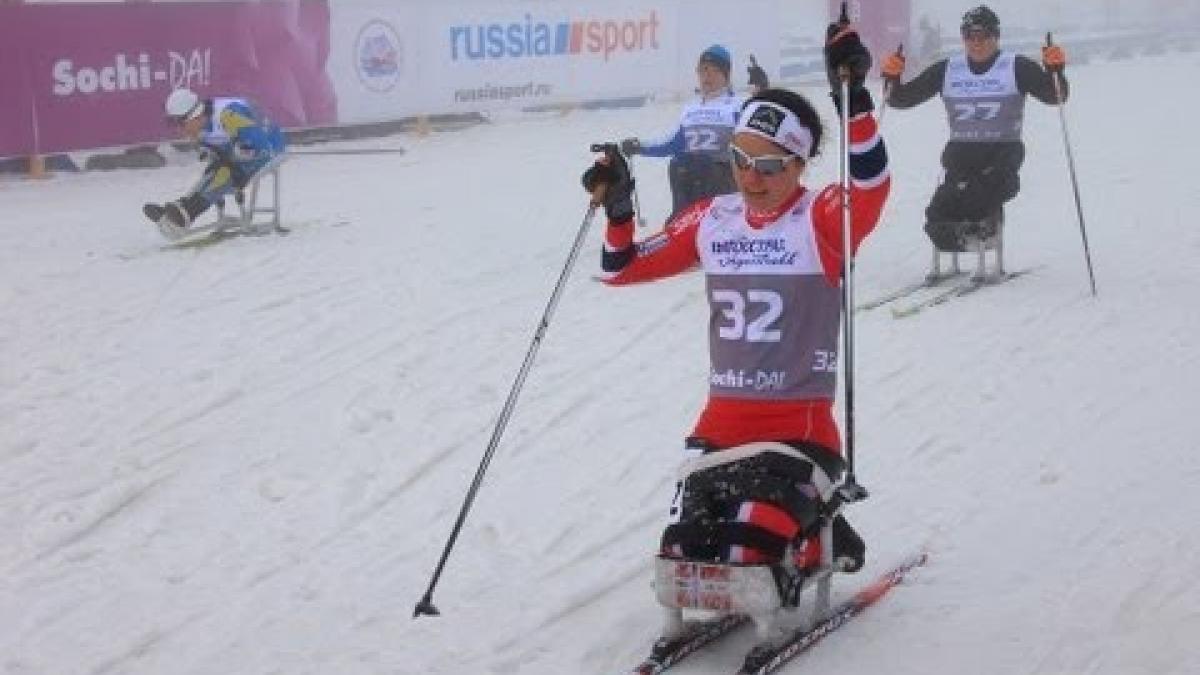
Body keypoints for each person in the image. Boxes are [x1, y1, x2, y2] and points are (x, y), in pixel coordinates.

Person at [583, 22, 889, 578]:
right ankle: (806, 522)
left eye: (770, 165)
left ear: (799, 163)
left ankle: (818, 530)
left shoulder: (819, 218)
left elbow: (871, 187)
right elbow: (618, 269)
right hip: (722, 425)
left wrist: (858, 98)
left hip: (799, 428)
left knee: (750, 547)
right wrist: (621, 212)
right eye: (740, 159)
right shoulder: (712, 218)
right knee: (685, 552)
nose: (751, 176)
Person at [880, 5, 1068, 256]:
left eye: (983, 36)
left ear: (996, 37)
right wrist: (892, 77)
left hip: (1002, 153)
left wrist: (1055, 71)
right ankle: (964, 239)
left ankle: (985, 232)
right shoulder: (948, 69)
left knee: (978, 197)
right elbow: (900, 99)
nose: (976, 43)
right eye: (969, 36)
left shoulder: (1015, 67)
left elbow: (1056, 95)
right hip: (961, 155)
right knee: (937, 213)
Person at [620, 44, 744, 222]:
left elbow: (751, 146)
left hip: (725, 177)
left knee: (700, 164)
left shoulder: (738, 106)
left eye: (714, 71)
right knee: (679, 163)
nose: (706, 76)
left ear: (726, 75)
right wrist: (639, 146)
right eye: (702, 70)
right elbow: (673, 143)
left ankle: (705, 220)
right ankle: (681, 219)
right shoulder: (691, 109)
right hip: (694, 173)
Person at [143, 88, 286, 235]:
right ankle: (182, 207)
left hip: (269, 148)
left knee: (226, 173)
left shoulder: (229, 115)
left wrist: (238, 151)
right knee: (214, 170)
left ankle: (186, 213)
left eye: (180, 123)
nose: (179, 130)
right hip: (241, 152)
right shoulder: (201, 125)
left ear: (194, 115)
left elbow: (258, 145)